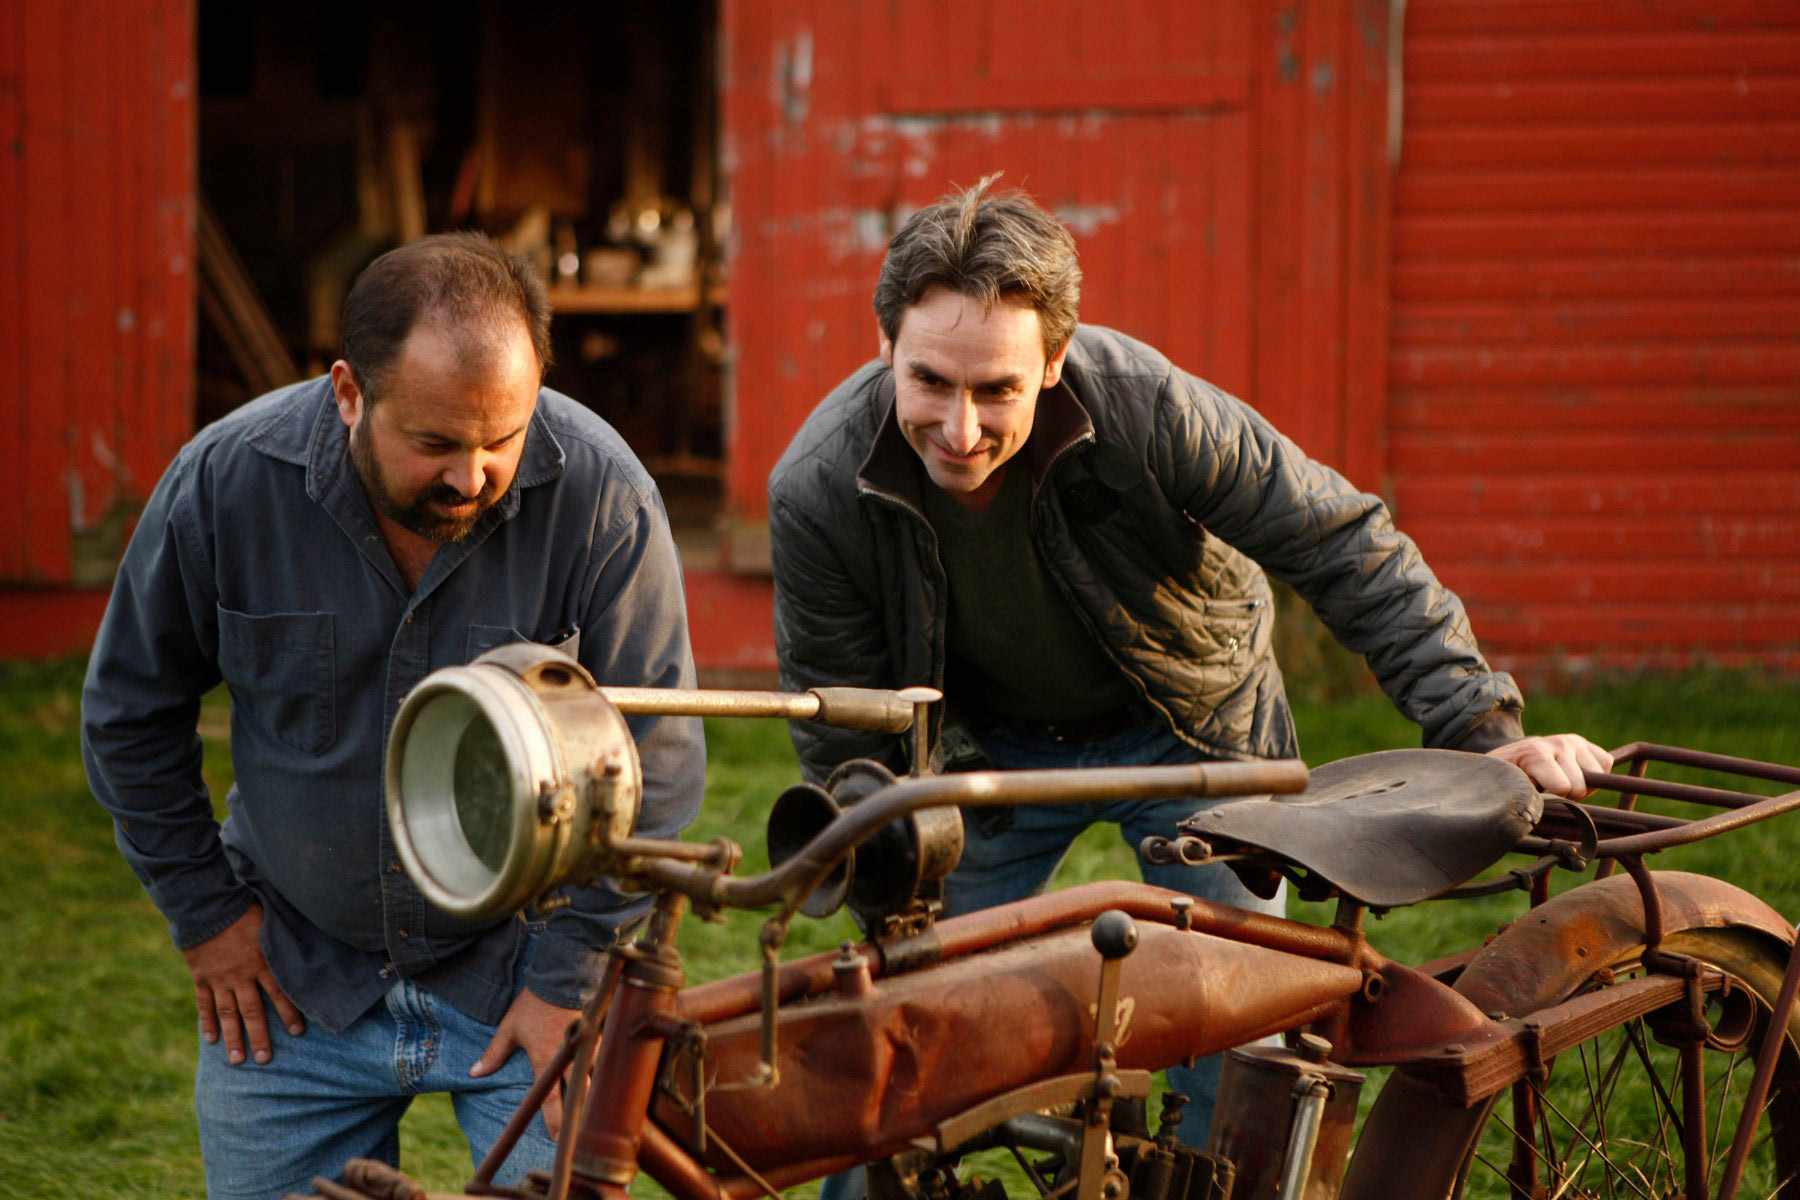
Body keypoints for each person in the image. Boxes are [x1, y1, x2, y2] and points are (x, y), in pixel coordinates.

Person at [768, 178, 1611, 1154]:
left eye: (996, 389)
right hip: (987, 753)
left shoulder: (1148, 408)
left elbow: (1340, 543)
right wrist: (885, 879)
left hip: (1192, 731)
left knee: (1240, 1037)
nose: (961, 431)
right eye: (930, 384)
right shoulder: (819, 486)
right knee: (909, 1038)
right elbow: (850, 724)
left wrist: (1475, 730)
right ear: (886, 352)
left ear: (1054, 364)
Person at [81, 232, 705, 1197]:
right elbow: (127, 714)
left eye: (504, 439)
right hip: (292, 982)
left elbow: (660, 763)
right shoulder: (225, 483)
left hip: (522, 975)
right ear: (348, 393)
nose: (472, 476)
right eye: (436, 444)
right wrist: (208, 921)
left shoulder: (602, 493)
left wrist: (565, 979)